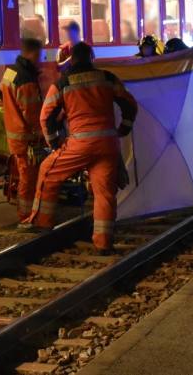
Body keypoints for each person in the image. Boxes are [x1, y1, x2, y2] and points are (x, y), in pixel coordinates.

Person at [27, 42, 138, 254]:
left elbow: (46, 115)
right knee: (104, 193)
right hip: (108, 145)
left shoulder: (62, 83)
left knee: (48, 172)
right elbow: (129, 104)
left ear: (72, 60)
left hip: (79, 144)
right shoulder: (107, 78)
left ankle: (42, 224)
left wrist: (54, 143)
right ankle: (104, 243)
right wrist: (123, 128)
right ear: (91, 57)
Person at [1, 38, 45, 224]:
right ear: (34, 54)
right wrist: (42, 134)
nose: (41, 60)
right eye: (40, 56)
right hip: (27, 138)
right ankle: (26, 216)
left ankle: (25, 212)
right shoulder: (26, 79)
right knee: (28, 177)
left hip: (14, 134)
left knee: (22, 174)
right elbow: (32, 113)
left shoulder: (10, 73)